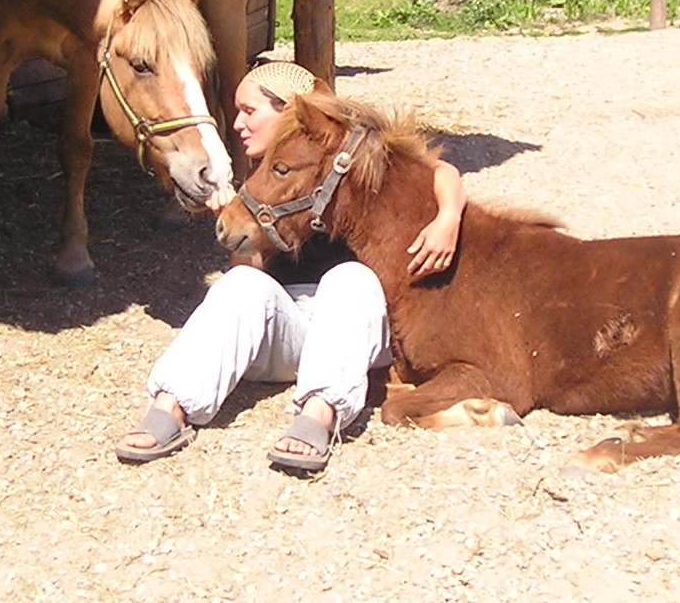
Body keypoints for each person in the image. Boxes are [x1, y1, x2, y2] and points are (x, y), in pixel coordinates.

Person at [115, 60, 466, 471]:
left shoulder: (347, 162)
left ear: (288, 114)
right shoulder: (258, 178)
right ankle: (171, 405)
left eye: (249, 111)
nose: (238, 124)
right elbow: (251, 272)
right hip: (292, 329)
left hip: (355, 328)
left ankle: (319, 412)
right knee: (240, 283)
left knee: (349, 277)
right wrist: (235, 226)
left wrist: (448, 217)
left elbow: (438, 169)